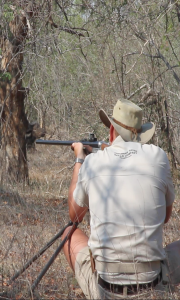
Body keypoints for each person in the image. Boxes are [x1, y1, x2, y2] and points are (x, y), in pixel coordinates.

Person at [62, 98, 177, 299]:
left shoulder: (93, 162)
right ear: (140, 133)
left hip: (105, 289)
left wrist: (80, 159)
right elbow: (165, 217)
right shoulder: (159, 157)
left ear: (112, 131)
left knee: (68, 234)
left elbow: (75, 215)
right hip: (153, 285)